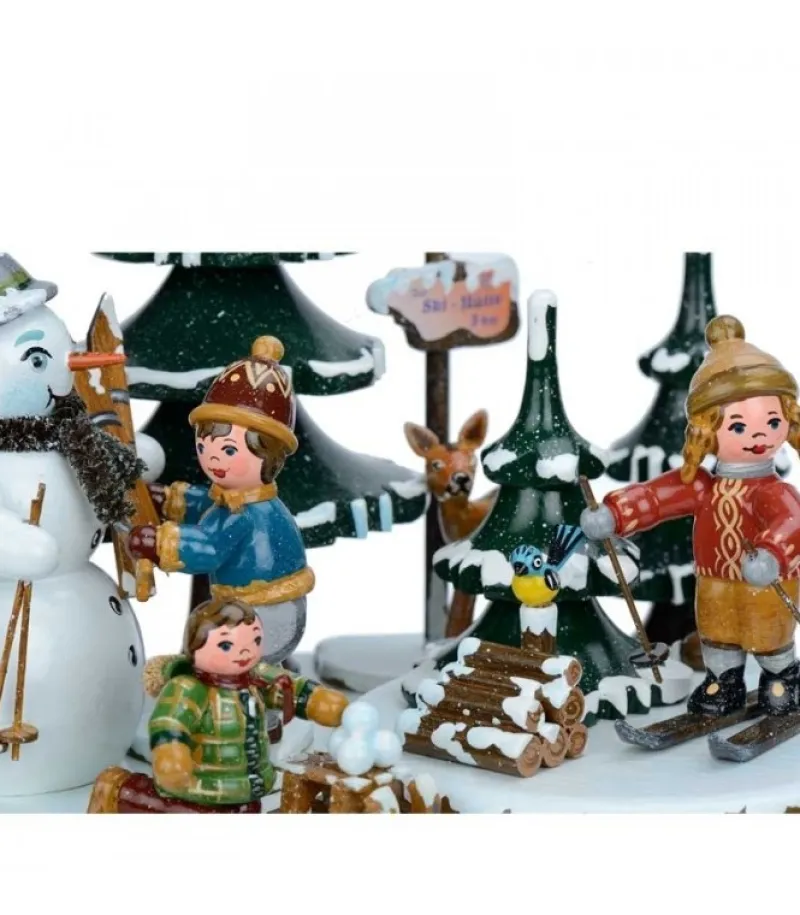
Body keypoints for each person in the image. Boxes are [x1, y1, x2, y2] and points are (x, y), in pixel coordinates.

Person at [581, 315, 800, 717]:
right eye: (738, 426)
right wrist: (615, 512)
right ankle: (724, 681)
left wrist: (772, 554)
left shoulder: (774, 491)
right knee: (717, 631)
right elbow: (656, 497)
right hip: (714, 578)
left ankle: (781, 676)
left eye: (772, 422)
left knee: (767, 630)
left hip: (766, 582)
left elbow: (792, 524)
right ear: (706, 431)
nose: (758, 435)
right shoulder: (701, 485)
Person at [127, 335, 313, 674]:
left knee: (235, 660)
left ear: (270, 456)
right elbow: (208, 506)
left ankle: (247, 700)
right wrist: (172, 501)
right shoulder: (236, 501)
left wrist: (160, 543)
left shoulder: (246, 514)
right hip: (248, 607)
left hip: (267, 615)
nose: (213, 458)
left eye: (228, 450)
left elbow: (209, 548)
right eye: (204, 447)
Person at [87, 598, 348, 813]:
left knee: (246, 810)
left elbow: (289, 686)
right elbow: (170, 722)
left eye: (255, 641)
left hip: (251, 786)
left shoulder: (255, 677)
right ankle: (121, 792)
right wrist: (172, 754)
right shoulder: (189, 688)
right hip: (202, 785)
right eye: (226, 645)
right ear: (194, 647)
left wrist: (317, 700)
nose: (245, 652)